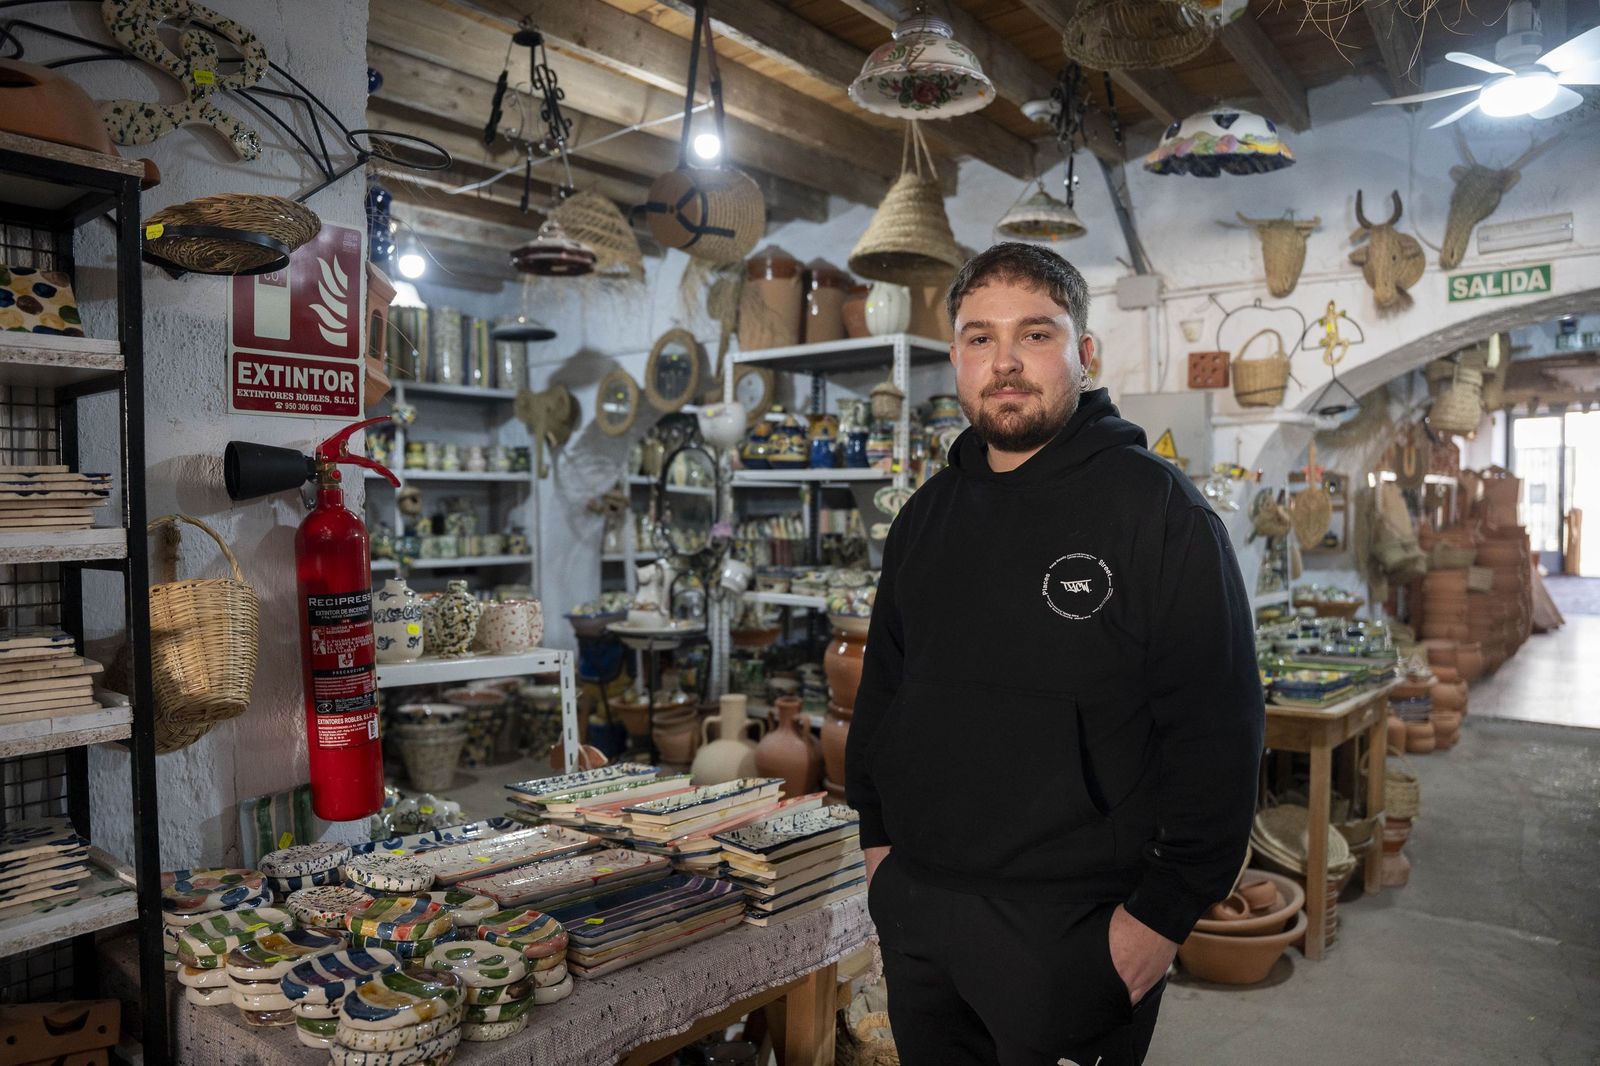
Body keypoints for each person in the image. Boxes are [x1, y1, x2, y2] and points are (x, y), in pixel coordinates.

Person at [846, 243, 1265, 1066]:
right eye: (977, 338)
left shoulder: (1159, 512)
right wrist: (880, 853)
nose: (1004, 363)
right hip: (922, 912)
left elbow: (1220, 732)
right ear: (956, 359)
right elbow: (884, 695)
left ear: (1085, 353)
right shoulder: (924, 518)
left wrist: (1159, 919)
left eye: (1035, 335)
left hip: (1079, 932)